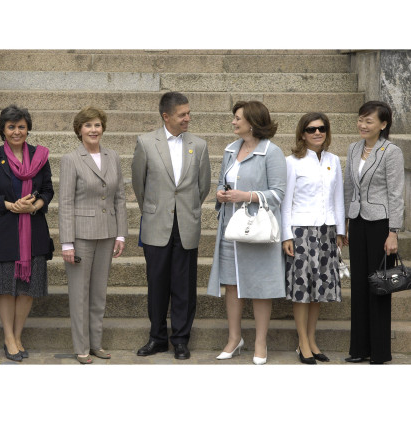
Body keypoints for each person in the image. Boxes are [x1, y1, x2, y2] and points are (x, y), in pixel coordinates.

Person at [131, 92, 211, 360]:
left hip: (187, 224)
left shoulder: (198, 145)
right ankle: (157, 338)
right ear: (166, 116)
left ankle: (181, 339)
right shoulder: (145, 142)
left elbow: (203, 186)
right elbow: (138, 184)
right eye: (182, 114)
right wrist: (154, 210)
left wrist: (185, 209)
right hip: (156, 223)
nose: (188, 118)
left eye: (188, 113)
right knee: (156, 284)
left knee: (184, 285)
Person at [208, 101, 286, 365]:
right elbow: (222, 183)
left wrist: (247, 196)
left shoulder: (271, 152)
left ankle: (261, 342)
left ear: (252, 122)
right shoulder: (231, 150)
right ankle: (234, 339)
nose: (233, 122)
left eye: (237, 118)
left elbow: (278, 194)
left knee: (261, 287)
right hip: (232, 228)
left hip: (259, 230)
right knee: (231, 283)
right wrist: (221, 194)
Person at [0, 105, 53, 362]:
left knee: (27, 289)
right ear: (3, 130)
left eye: (21, 126)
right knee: (6, 289)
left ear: (28, 128)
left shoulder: (40, 156)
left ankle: (18, 335)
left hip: (33, 231)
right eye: (11, 127)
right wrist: (10, 205)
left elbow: (48, 190)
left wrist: (35, 206)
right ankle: (8, 337)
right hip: (3, 231)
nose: (17, 131)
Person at [59, 106, 128, 364]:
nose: (93, 130)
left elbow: (120, 197)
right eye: (88, 125)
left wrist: (121, 234)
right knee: (79, 293)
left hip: (108, 233)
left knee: (99, 292)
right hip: (80, 236)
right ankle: (82, 347)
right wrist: (67, 242)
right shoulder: (71, 159)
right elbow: (65, 202)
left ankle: (96, 342)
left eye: (97, 125)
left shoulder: (113, 156)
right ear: (79, 130)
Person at [281, 113, 345, 364]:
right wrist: (286, 235)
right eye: (311, 129)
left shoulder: (333, 160)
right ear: (302, 133)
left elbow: (337, 197)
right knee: (301, 289)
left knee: (320, 288)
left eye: (322, 128)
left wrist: (340, 231)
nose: (317, 133)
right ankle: (302, 343)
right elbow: (286, 203)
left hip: (327, 231)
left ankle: (312, 339)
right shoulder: (292, 162)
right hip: (301, 231)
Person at [343, 101, 404, 364]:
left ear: (383, 124)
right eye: (360, 119)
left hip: (381, 224)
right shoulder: (353, 148)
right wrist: (344, 222)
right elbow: (348, 188)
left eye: (369, 121)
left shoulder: (391, 151)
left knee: (378, 285)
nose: (363, 125)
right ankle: (359, 349)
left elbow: (396, 193)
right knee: (358, 284)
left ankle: (379, 352)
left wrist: (393, 232)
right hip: (356, 222)